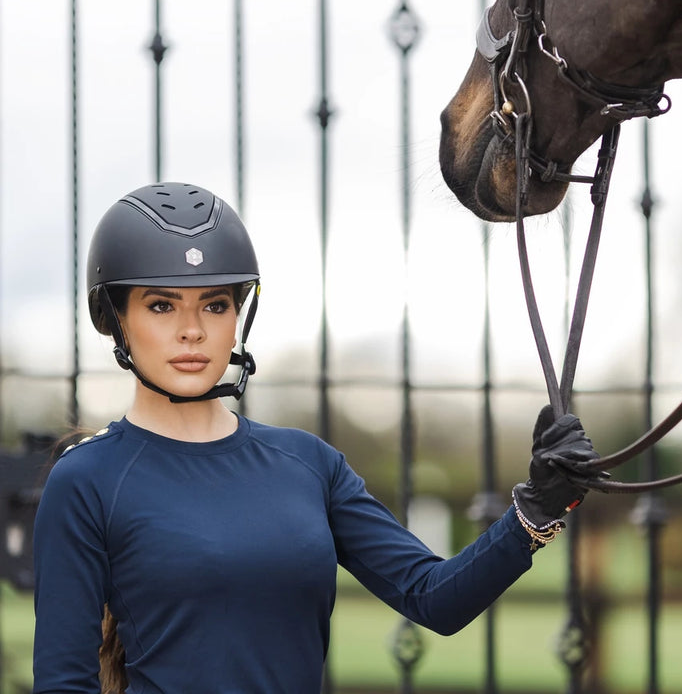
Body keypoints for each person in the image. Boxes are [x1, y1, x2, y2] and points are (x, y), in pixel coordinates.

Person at [33, 181, 601, 694]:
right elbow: (65, 683)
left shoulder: (308, 464)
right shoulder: (87, 480)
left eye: (215, 304)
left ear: (238, 316)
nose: (193, 329)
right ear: (116, 318)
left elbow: (434, 597)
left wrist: (534, 511)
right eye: (162, 305)